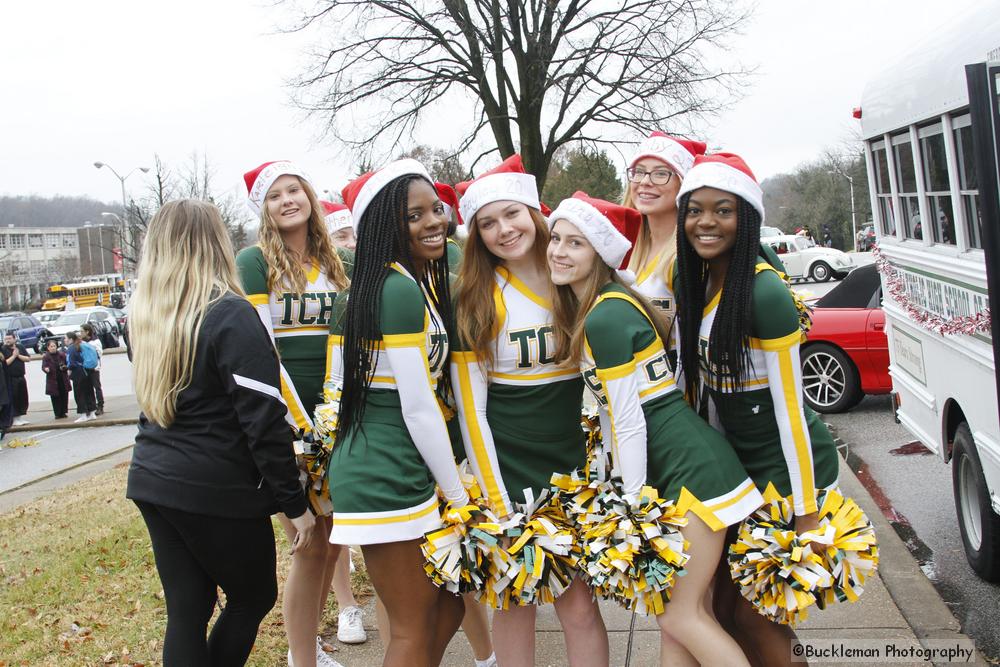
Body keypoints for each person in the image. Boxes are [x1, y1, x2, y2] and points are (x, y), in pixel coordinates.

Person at [547, 192, 762, 666]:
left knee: (681, 616)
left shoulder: (605, 314)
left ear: (600, 254)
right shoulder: (611, 302)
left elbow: (627, 421)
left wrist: (632, 505)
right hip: (688, 463)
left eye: (576, 244)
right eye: (556, 238)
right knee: (683, 615)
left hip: (691, 472)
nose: (559, 251)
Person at [126, 199, 315, 667]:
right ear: (215, 244)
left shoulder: (148, 316)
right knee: (253, 597)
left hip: (152, 479)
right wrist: (295, 504)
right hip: (213, 488)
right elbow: (262, 422)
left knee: (187, 611)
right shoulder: (228, 314)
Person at [672, 153, 841, 666]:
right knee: (721, 607)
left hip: (786, 472)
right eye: (695, 210)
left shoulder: (765, 291)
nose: (706, 222)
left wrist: (807, 516)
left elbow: (793, 410)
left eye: (722, 210)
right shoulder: (695, 279)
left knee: (756, 614)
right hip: (738, 470)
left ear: (746, 217)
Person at [451, 155, 606, 667]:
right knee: (514, 600)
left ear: (534, 213)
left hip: (574, 461)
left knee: (578, 603)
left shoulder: (578, 275)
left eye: (511, 214)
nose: (503, 230)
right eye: (487, 223)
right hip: (509, 461)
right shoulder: (476, 294)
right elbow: (471, 408)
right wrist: (493, 493)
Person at [326, 159, 470, 667]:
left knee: (448, 605)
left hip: (396, 464)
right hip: (384, 470)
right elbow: (418, 406)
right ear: (388, 224)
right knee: (411, 626)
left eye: (436, 209)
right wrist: (458, 493)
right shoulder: (396, 287)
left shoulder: (398, 283)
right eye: (415, 216)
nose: (434, 221)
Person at [237, 161, 357, 667]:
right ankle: (300, 656)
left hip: (339, 411)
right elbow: (261, 347)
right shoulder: (253, 261)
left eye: (294, 189)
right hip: (288, 420)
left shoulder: (337, 261)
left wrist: (337, 409)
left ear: (309, 195)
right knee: (309, 544)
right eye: (274, 196)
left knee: (331, 545)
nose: (287, 200)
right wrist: (302, 422)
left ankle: (306, 646)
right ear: (263, 209)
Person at [622, 132, 706, 329]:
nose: (645, 182)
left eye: (661, 173)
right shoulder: (624, 248)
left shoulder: (692, 255)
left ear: (683, 183)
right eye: (639, 172)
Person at [64, 331, 97, 422]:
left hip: (78, 374)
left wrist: (68, 370)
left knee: (79, 394)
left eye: (65, 338)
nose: (64, 340)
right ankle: (92, 413)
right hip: (88, 371)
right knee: (89, 392)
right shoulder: (82, 345)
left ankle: (83, 415)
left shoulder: (71, 348)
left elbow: (71, 362)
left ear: (71, 339)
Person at [2, 333, 31, 425]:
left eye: (9, 338)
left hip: (21, 376)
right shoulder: (3, 349)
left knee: (22, 397)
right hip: (11, 378)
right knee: (14, 397)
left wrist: (18, 355)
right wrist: (14, 356)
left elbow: (28, 358)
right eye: (6, 339)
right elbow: (4, 363)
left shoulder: (20, 347)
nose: (7, 340)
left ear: (14, 339)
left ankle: (20, 417)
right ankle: (14, 418)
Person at [41, 339, 71, 419]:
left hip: (62, 378)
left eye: (54, 346)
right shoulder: (46, 357)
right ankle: (57, 413)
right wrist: (46, 369)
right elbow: (44, 366)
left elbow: (67, 364)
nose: (53, 348)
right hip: (53, 379)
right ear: (48, 348)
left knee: (64, 395)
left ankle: (64, 412)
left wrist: (64, 367)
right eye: (51, 346)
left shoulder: (62, 354)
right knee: (55, 397)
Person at [80, 323, 105, 416]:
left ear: (87, 332)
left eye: (82, 331)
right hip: (85, 368)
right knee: (88, 388)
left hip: (94, 367)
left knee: (97, 387)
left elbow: (99, 353)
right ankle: (91, 406)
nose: (80, 333)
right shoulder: (81, 341)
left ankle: (100, 406)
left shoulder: (95, 341)